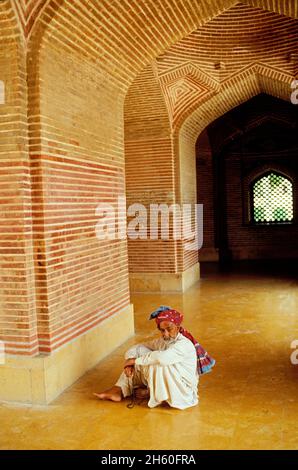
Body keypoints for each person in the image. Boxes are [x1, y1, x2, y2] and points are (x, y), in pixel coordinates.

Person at [94, 306, 215, 410]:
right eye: (162, 330)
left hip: (182, 391)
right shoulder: (163, 341)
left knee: (156, 362)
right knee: (143, 353)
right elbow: (138, 347)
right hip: (170, 380)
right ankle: (119, 389)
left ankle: (153, 393)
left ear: (178, 327)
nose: (165, 334)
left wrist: (135, 361)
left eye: (169, 329)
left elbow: (162, 358)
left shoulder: (184, 344)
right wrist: (130, 361)